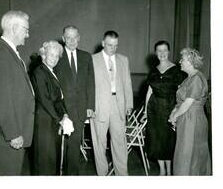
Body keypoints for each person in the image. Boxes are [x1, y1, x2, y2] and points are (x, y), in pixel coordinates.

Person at [0, 10, 35, 175]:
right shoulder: (1, 55)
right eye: (25, 29)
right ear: (14, 28)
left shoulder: (7, 52)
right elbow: (1, 99)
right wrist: (13, 133)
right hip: (6, 137)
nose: (28, 34)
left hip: (8, 135)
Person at [90, 30, 133, 176]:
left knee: (120, 143)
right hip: (99, 106)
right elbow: (88, 86)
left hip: (118, 105)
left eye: (115, 46)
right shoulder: (92, 59)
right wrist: (89, 107)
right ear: (103, 43)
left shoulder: (123, 60)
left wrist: (129, 105)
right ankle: (102, 176)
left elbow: (127, 83)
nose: (113, 49)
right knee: (99, 144)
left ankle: (122, 176)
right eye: (109, 45)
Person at [54, 25, 95, 175]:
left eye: (74, 37)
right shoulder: (56, 56)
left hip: (79, 110)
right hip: (61, 110)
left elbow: (91, 83)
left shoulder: (86, 56)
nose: (72, 41)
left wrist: (90, 106)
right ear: (63, 39)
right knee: (57, 148)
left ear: (79, 38)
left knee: (74, 147)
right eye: (68, 38)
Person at [31, 41, 74, 175]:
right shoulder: (39, 72)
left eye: (57, 56)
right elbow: (45, 100)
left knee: (52, 160)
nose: (54, 58)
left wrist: (65, 114)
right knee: (45, 162)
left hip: (52, 122)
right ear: (43, 55)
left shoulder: (51, 72)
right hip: (45, 122)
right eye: (51, 55)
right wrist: (59, 119)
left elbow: (59, 98)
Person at [143, 40, 186, 175]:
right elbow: (149, 92)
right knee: (156, 139)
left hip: (170, 109)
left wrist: (177, 112)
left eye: (164, 50)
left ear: (168, 52)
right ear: (156, 53)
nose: (162, 53)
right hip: (154, 109)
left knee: (169, 141)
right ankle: (162, 170)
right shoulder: (153, 71)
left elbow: (181, 93)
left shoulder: (177, 70)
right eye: (159, 51)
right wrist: (145, 111)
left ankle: (170, 170)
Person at [168, 48, 211, 175]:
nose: (180, 62)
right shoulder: (189, 78)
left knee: (189, 155)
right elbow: (181, 102)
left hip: (193, 120)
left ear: (191, 62)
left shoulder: (197, 79)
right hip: (187, 119)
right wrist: (173, 113)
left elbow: (187, 103)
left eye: (183, 60)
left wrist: (174, 116)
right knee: (184, 153)